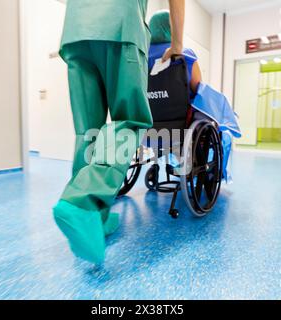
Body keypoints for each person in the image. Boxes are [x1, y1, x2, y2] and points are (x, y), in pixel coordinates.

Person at [54, 0, 186, 264]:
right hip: (120, 26)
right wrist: (178, 45)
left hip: (76, 30)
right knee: (131, 120)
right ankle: (82, 202)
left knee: (87, 132)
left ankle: (98, 220)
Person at [148, 10, 202, 100]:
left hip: (145, 113)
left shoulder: (141, 56)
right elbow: (200, 92)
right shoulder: (185, 54)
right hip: (182, 113)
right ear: (173, 27)